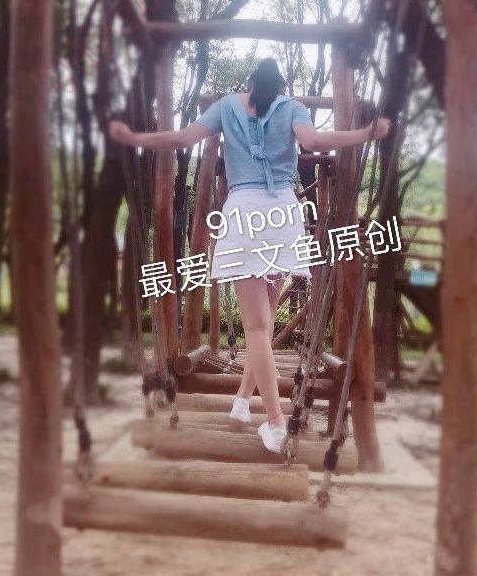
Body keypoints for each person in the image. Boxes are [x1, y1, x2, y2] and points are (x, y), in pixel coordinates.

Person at [109, 58, 390, 453]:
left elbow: (182, 139)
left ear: (249, 83)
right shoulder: (292, 107)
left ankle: (275, 423)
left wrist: (133, 138)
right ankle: (243, 401)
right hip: (284, 215)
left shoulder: (227, 105)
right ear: (281, 86)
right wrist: (366, 133)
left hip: (244, 215)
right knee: (264, 324)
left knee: (258, 328)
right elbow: (313, 143)